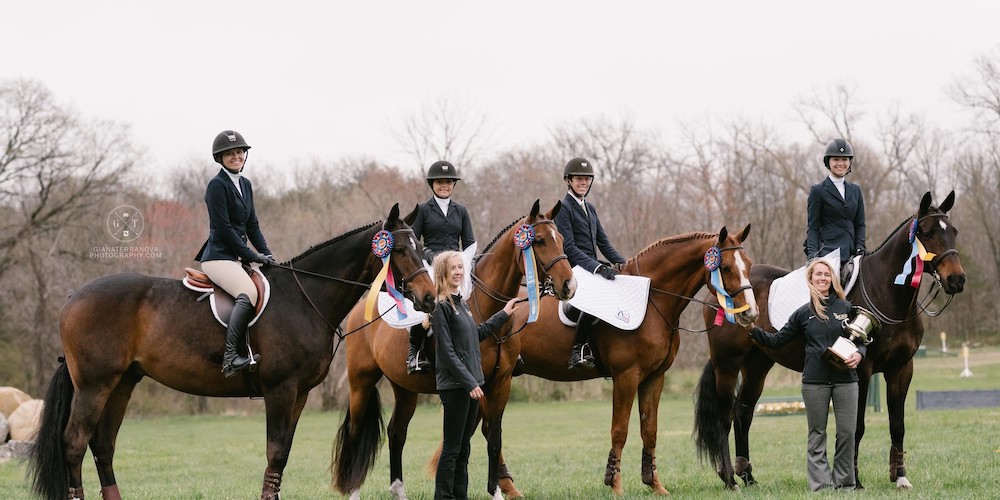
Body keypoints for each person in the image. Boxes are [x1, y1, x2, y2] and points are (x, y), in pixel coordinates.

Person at [748, 259, 865, 491]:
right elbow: (777, 340)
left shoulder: (846, 308)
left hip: (846, 382)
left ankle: (845, 484)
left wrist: (860, 354)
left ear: (832, 279)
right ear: (810, 279)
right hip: (815, 382)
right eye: (818, 274)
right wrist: (752, 330)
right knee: (817, 434)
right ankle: (821, 485)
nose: (823, 278)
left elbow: (861, 339)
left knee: (846, 433)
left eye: (826, 274)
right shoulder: (802, 313)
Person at [430, 251, 516, 500]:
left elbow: (476, 334)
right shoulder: (441, 308)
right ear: (443, 272)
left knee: (464, 448)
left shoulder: (462, 304)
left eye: (460, 267)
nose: (458, 272)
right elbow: (446, 351)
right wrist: (469, 383)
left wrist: (504, 314)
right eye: (453, 268)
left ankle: (460, 495)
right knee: (452, 448)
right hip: (455, 387)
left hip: (471, 384)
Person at [194, 130, 276, 378]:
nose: (236, 156)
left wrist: (266, 253)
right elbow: (224, 229)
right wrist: (252, 255)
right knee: (249, 293)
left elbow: (252, 225)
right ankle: (230, 357)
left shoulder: (246, 184)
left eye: (239, 152)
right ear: (220, 158)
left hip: (238, 257)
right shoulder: (216, 186)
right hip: (218, 257)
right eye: (230, 153)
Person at [554, 157, 627, 369]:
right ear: (569, 181)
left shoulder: (591, 208)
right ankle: (578, 350)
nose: (583, 183)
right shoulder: (564, 208)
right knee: (595, 300)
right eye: (579, 179)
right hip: (575, 266)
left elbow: (603, 242)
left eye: (587, 179)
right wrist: (597, 267)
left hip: (591, 264)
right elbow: (569, 248)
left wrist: (622, 262)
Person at [406, 160, 476, 374]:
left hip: (457, 262)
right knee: (426, 300)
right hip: (431, 263)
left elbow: (470, 242)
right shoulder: (423, 210)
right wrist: (429, 256)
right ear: (432, 185)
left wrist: (465, 261)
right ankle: (415, 352)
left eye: (448, 182)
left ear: (453, 184)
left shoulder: (461, 211)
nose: (444, 185)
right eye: (439, 182)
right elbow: (412, 240)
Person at [804, 139, 866, 283]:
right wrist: (813, 258)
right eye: (836, 159)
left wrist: (859, 247)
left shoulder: (855, 191)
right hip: (828, 253)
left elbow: (860, 224)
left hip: (852, 252)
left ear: (849, 162)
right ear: (828, 162)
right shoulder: (818, 191)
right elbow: (813, 227)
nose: (840, 163)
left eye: (844, 159)